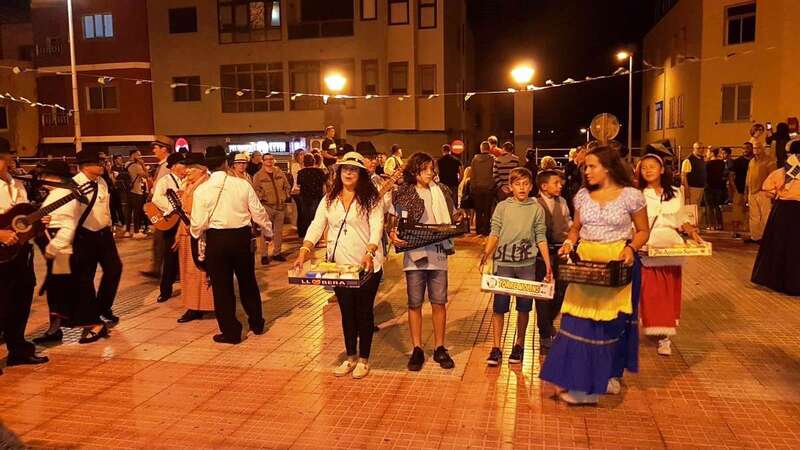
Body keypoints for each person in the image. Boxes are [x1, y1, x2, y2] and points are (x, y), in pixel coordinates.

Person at [540, 146, 650, 405]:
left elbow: (643, 230)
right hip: (585, 267)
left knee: (605, 326)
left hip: (615, 265)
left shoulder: (631, 196)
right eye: (585, 167)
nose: (586, 171)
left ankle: (593, 385)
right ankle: (577, 382)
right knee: (575, 323)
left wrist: (630, 248)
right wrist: (569, 243)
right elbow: (576, 228)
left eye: (592, 166)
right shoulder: (582, 196)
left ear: (608, 168)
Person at [293, 152, 384, 379]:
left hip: (367, 266)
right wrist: (305, 250)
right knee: (346, 312)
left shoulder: (371, 199)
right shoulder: (330, 198)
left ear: (361, 174)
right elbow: (316, 224)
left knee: (363, 312)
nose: (349, 173)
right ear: (339, 172)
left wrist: (370, 251)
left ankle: (364, 359)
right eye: (345, 169)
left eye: (354, 170)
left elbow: (377, 226)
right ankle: (350, 356)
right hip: (340, 267)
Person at [190, 146, 273, 344]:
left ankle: (231, 332)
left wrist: (196, 235)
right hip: (241, 239)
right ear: (226, 163)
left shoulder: (201, 190)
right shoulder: (242, 185)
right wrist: (268, 232)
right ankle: (257, 323)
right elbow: (258, 212)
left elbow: (198, 223)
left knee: (222, 287)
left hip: (217, 241)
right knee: (248, 282)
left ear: (206, 166)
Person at [389, 152, 458, 372]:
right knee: (414, 303)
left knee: (439, 302)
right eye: (425, 169)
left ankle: (439, 346)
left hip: (438, 252)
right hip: (415, 254)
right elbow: (392, 219)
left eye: (432, 169)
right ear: (415, 170)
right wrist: (391, 233)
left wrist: (460, 218)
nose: (430, 173)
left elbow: (453, 215)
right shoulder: (404, 193)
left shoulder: (443, 192)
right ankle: (417, 348)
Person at [480, 167, 552, 366]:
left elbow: (540, 236)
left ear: (531, 186)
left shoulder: (536, 208)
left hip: (527, 265)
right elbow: (495, 232)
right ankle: (496, 347)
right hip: (503, 263)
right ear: (510, 187)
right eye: (517, 184)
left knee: (524, 307)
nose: (522, 187)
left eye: (526, 184)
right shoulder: (502, 207)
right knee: (499, 307)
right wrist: (486, 254)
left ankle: (519, 344)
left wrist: (547, 265)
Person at [637, 154, 701, 356]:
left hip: (671, 247)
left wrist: (693, 234)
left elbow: (682, 218)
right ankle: (650, 327)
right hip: (648, 247)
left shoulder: (675, 192)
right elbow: (633, 224)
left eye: (652, 166)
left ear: (662, 169)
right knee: (649, 293)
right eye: (644, 167)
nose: (648, 170)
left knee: (668, 293)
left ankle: (665, 337)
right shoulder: (637, 194)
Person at [0, 144, 50, 370]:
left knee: (20, 300)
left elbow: (20, 218)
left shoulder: (17, 184)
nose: (4, 162)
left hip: (20, 253)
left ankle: (18, 349)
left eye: (5, 157)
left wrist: (37, 223)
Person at [72, 148, 124, 330]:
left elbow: (105, 206)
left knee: (114, 269)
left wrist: (111, 223)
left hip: (104, 234)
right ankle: (91, 314)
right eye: (98, 163)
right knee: (86, 277)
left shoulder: (101, 181)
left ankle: (103, 306)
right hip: (84, 236)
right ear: (85, 166)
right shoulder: (73, 185)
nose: (103, 165)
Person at [751, 140, 800, 296]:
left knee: (779, 246)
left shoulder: (781, 172)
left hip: (782, 211)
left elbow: (768, 191)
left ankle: (777, 281)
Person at [174, 153, 215, 323]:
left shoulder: (206, 185)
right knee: (188, 272)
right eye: (187, 166)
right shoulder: (188, 184)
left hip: (199, 232)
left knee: (200, 272)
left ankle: (202, 305)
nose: (187, 170)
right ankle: (193, 304)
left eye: (192, 167)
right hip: (185, 231)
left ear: (202, 169)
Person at [535, 170, 572, 349]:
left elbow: (569, 222)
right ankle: (544, 333)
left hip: (561, 251)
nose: (560, 186)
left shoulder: (563, 202)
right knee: (542, 293)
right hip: (541, 254)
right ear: (544, 186)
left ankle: (547, 324)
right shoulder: (534, 203)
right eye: (556, 183)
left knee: (562, 289)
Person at [150, 153, 187, 303]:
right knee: (170, 255)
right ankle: (165, 289)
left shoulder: (188, 180)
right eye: (183, 163)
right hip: (171, 221)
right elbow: (156, 198)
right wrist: (175, 206)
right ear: (174, 166)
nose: (185, 167)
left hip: (185, 221)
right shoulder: (165, 180)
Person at [252, 153, 290, 264]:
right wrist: (262, 198)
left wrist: (286, 195)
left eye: (271, 159)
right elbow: (255, 190)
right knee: (265, 232)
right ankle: (264, 255)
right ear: (263, 161)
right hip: (267, 207)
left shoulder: (279, 173)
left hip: (280, 207)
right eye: (267, 159)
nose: (269, 161)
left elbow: (287, 185)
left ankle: (277, 253)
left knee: (278, 232)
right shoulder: (258, 175)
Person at [745, 141, 776, 244]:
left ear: (762, 148)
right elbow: (748, 177)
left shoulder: (769, 161)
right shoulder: (752, 161)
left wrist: (769, 191)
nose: (756, 150)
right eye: (754, 148)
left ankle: (765, 237)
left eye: (758, 148)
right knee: (754, 216)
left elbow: (772, 176)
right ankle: (755, 236)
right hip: (752, 192)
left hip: (763, 192)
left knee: (765, 215)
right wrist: (747, 191)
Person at [296, 153, 328, 239]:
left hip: (304, 197)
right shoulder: (320, 171)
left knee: (305, 216)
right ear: (313, 161)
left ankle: (307, 235)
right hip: (316, 197)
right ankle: (316, 236)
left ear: (304, 162)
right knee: (315, 216)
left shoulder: (301, 173)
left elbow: (298, 186)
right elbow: (325, 184)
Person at [470, 141, 496, 236]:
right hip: (488, 189)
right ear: (489, 149)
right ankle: (486, 229)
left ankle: (478, 229)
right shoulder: (493, 160)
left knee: (479, 211)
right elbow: (494, 174)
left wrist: (472, 187)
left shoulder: (474, 160)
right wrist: (491, 185)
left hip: (477, 188)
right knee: (487, 210)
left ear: (481, 149)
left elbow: (472, 175)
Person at [125, 149, 151, 239]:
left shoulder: (126, 164)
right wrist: (143, 164)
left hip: (128, 191)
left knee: (129, 211)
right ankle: (136, 231)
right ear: (133, 155)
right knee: (137, 212)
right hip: (136, 191)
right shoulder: (136, 166)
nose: (140, 157)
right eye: (138, 155)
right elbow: (146, 175)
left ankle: (127, 231)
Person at [730, 143, 752, 238]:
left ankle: (751, 231)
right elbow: (731, 176)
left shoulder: (755, 161)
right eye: (744, 148)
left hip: (752, 190)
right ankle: (735, 231)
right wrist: (734, 188)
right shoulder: (737, 161)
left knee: (751, 211)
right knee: (737, 211)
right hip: (739, 190)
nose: (745, 150)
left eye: (747, 148)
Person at [704, 147, 726, 230]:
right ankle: (720, 225)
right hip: (719, 187)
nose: (707, 153)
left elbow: (705, 176)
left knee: (709, 206)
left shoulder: (707, 164)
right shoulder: (722, 163)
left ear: (712, 153)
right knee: (717, 206)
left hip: (709, 187)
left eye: (708, 152)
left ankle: (711, 225)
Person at [681, 142, 707, 212]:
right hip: (692, 188)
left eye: (702, 148)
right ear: (694, 149)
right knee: (691, 210)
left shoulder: (702, 159)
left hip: (701, 188)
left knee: (696, 209)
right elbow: (683, 176)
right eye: (698, 148)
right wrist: (686, 190)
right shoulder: (688, 160)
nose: (701, 150)